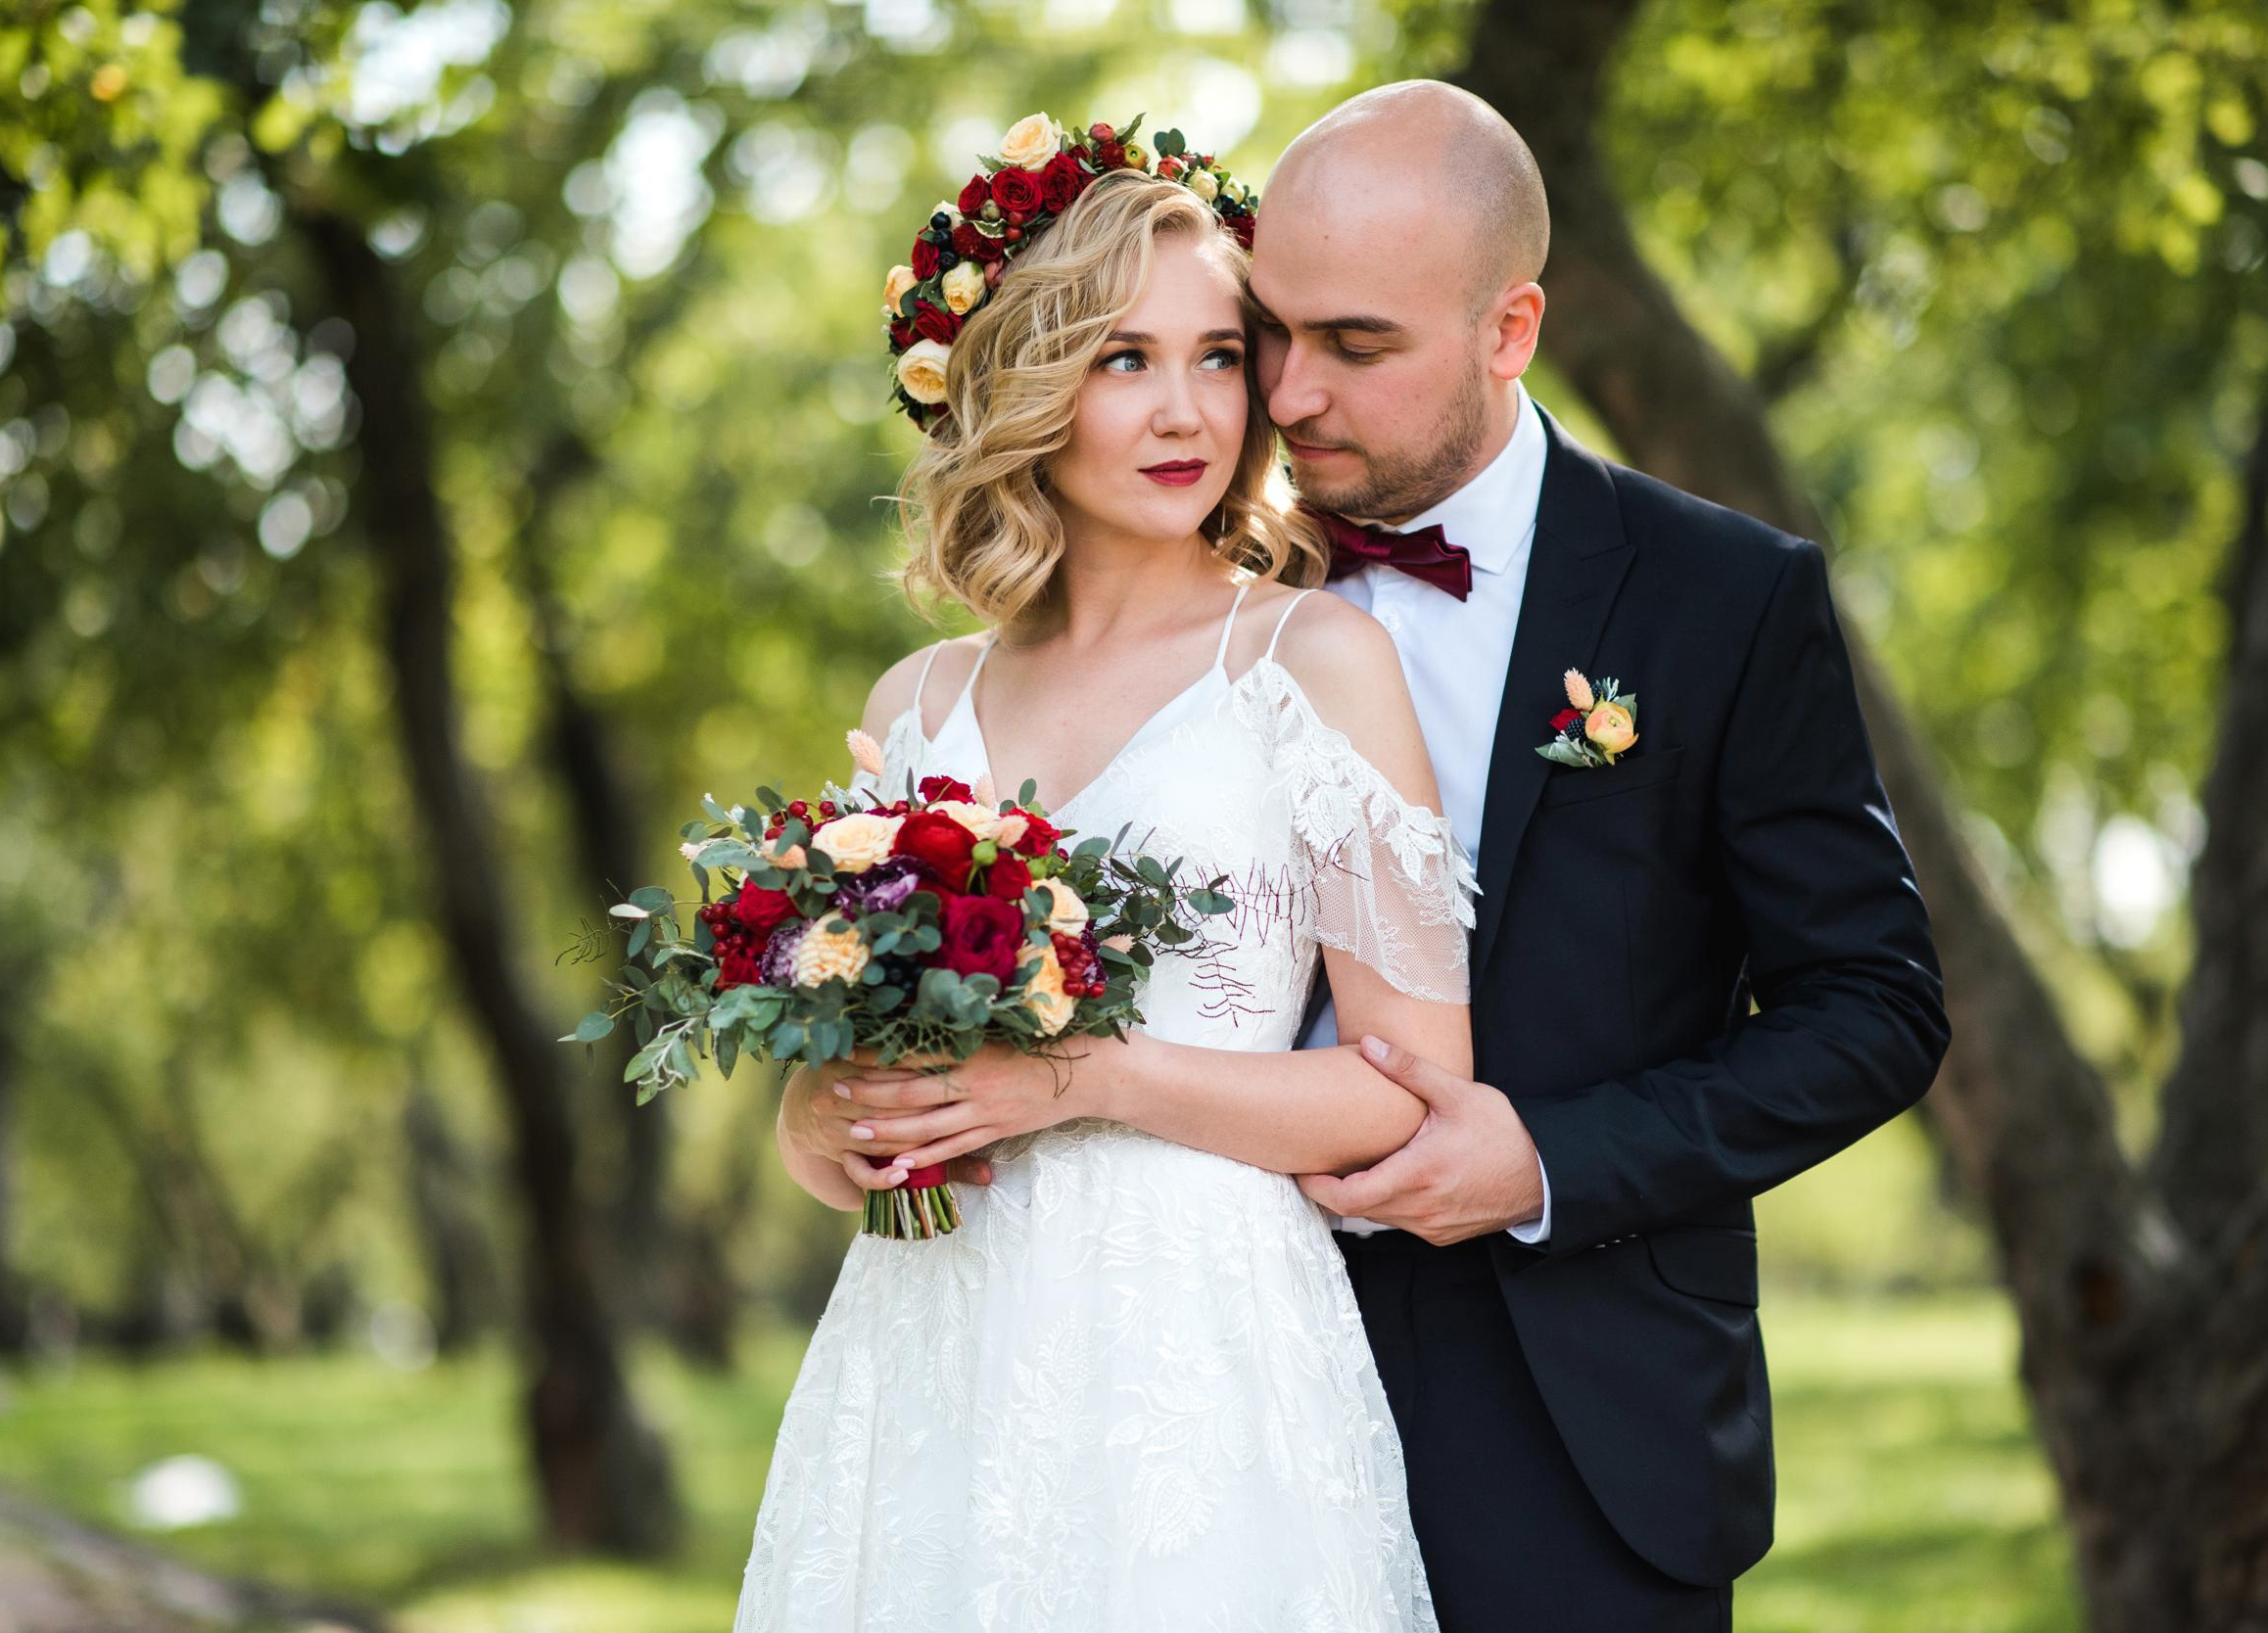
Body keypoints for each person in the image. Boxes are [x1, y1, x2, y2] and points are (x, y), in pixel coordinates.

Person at [819, 83, 1953, 1630]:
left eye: (1352, 348)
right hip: (1140, 1367)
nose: (1279, 398)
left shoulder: (1719, 601)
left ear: (1509, 331)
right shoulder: (1182, 573)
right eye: (1262, 333)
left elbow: (1875, 1006)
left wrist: (1552, 1161)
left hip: (1568, 1398)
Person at [733, 136, 1464, 1631]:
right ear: (1026, 379)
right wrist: (822, 1118)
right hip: (931, 1351)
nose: (1188, 409)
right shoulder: (920, 700)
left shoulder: (1312, 661)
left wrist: (1077, 1079)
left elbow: (1409, 1092)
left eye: (1218, 355)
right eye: (1125, 357)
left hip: (1199, 1367)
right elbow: (845, 1108)